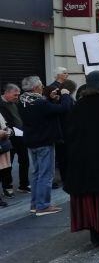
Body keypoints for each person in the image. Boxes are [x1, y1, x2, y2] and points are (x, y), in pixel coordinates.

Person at [63, 71, 99, 246]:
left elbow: (69, 134)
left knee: (89, 199)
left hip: (82, 162)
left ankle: (95, 234)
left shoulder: (78, 105)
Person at [19, 76, 72, 216]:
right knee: (46, 174)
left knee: (36, 174)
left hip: (31, 141)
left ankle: (35, 204)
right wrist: (65, 95)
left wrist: (49, 98)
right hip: (44, 141)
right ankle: (43, 206)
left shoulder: (23, 100)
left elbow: (45, 110)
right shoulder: (39, 103)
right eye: (41, 85)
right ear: (36, 87)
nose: (42, 87)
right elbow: (63, 108)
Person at [0, 83, 29, 196]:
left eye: (18, 95)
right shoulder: (1, 104)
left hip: (20, 135)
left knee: (24, 160)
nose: (17, 97)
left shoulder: (16, 103)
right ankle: (7, 186)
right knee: (8, 163)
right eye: (15, 95)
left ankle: (24, 185)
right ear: (6, 92)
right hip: (7, 137)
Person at [0, 111, 12, 207]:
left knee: (4, 170)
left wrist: (8, 131)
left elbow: (4, 125)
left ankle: (6, 188)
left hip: (3, 144)